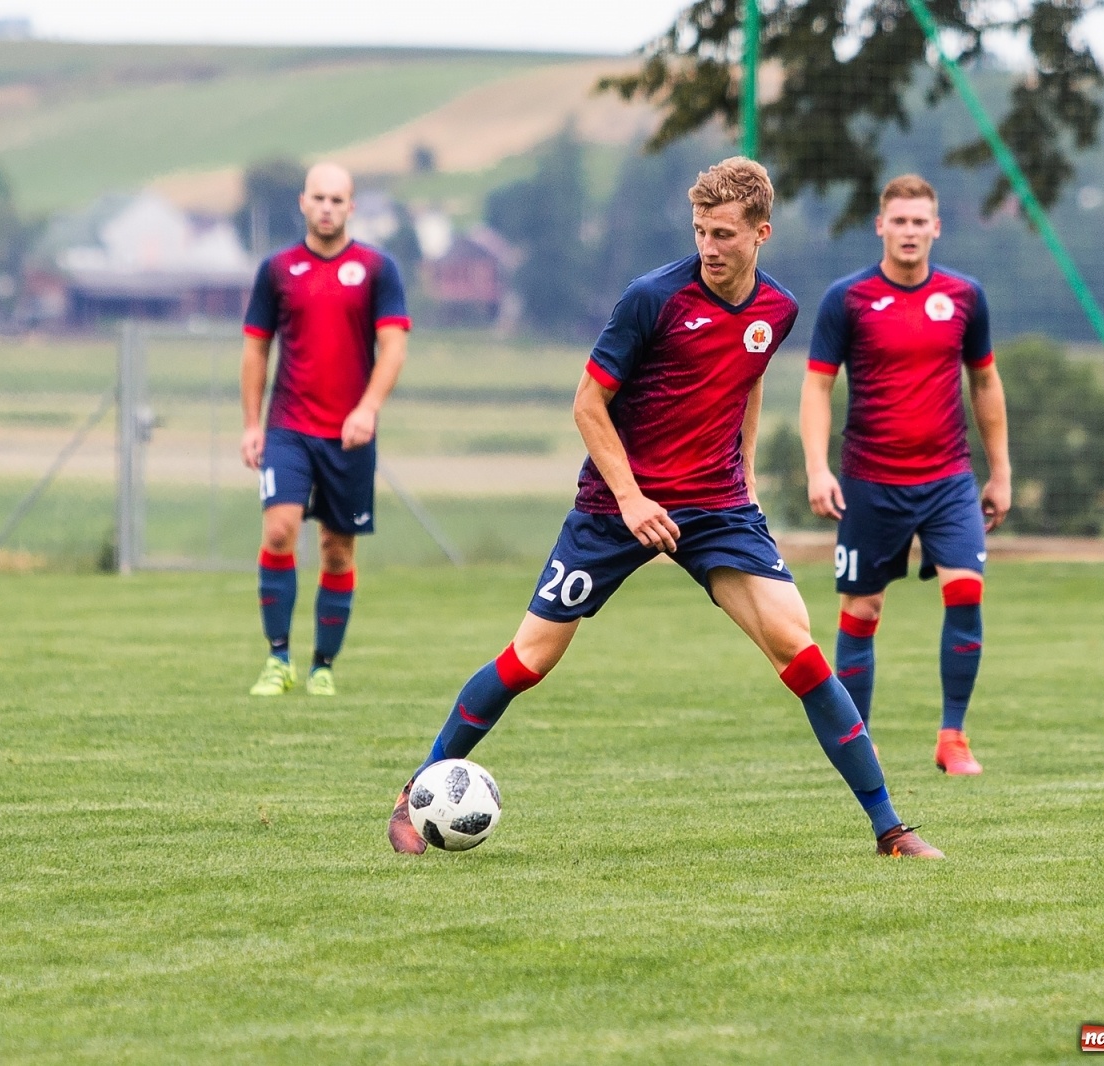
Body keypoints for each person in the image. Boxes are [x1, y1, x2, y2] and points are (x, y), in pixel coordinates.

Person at [387, 158, 942, 860]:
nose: (710, 247)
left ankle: (890, 828)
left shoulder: (778, 309)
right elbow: (587, 406)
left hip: (714, 506)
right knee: (531, 658)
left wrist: (741, 479)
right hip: (613, 504)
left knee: (799, 649)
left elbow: (747, 381)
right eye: (702, 232)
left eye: (726, 234)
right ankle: (413, 796)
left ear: (761, 233)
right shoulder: (652, 298)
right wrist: (633, 500)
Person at [800, 175, 1010, 776]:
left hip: (948, 480)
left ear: (936, 227)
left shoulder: (965, 297)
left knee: (966, 589)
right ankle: (858, 749)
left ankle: (953, 737)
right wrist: (818, 469)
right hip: (870, 481)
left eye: (921, 221)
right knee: (861, 612)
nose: (910, 231)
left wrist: (1000, 473)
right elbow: (817, 386)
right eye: (900, 221)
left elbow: (986, 383)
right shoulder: (848, 299)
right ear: (881, 226)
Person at [239, 162, 409, 697]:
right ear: (303, 202)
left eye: (338, 199)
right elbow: (255, 348)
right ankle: (277, 660)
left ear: (352, 206)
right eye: (319, 197)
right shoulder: (276, 269)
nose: (328, 207)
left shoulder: (378, 270)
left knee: (337, 550)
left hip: (350, 435)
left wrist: (368, 408)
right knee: (279, 531)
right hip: (287, 427)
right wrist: (251, 424)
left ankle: (322, 667)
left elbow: (395, 346)